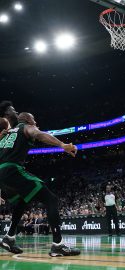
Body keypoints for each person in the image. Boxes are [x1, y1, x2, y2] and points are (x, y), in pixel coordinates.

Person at [0, 104, 81, 257]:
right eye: (34, 120)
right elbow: (39, 134)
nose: (36, 123)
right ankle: (58, 245)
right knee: (51, 199)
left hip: (1, 174)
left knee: (22, 202)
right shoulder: (25, 126)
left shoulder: (6, 134)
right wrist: (62, 145)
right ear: (27, 120)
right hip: (12, 169)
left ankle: (9, 238)